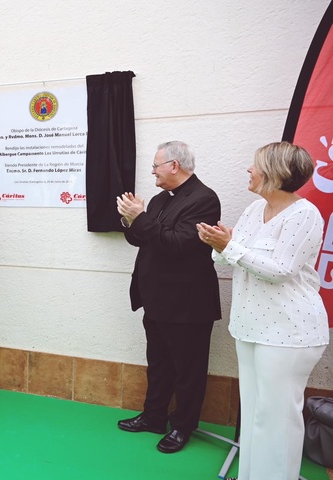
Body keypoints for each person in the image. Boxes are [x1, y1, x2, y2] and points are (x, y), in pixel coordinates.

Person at [197, 142, 329, 480]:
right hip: (251, 328)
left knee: (277, 419)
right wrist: (221, 245)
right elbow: (226, 258)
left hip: (289, 331)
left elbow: (280, 269)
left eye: (255, 165)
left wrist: (231, 247)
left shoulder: (304, 214)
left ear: (277, 173)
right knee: (256, 414)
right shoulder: (253, 210)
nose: (249, 171)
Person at [115, 141, 221, 453]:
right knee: (158, 364)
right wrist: (129, 219)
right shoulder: (162, 199)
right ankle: (153, 417)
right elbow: (142, 239)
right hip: (157, 299)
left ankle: (183, 427)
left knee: (188, 370)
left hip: (188, 304)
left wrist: (141, 217)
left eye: (156, 165)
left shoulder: (204, 199)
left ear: (174, 165)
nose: (152, 171)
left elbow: (178, 245)